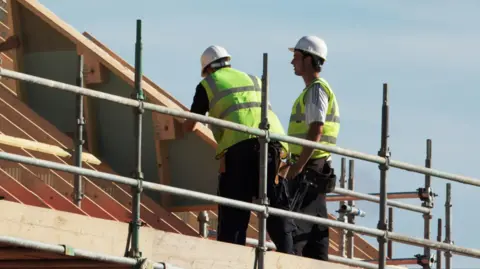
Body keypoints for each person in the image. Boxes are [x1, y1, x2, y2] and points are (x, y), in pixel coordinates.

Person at [184, 45, 296, 254]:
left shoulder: (208, 84)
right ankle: (290, 257)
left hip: (239, 148)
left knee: (234, 210)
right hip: (274, 145)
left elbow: (192, 122)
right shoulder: (253, 79)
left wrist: (178, 126)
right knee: (276, 207)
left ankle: (232, 258)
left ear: (207, 69)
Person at [285, 35, 341, 261]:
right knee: (316, 227)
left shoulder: (316, 90)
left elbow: (316, 129)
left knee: (296, 228)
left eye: (296, 57)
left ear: (309, 60)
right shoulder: (313, 90)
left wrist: (298, 166)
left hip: (309, 166)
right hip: (316, 165)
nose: (292, 62)